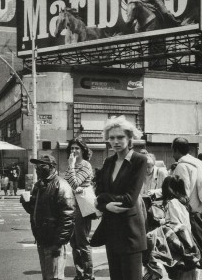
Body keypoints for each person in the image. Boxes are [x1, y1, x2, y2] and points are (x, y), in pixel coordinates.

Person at [93, 115, 147, 280]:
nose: (116, 141)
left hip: (131, 232)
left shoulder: (139, 160)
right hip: (111, 230)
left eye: (120, 137)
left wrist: (103, 200)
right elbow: (98, 193)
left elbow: (130, 198)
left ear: (130, 138)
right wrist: (106, 205)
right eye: (112, 138)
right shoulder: (108, 161)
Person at [20, 154, 76, 280]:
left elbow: (68, 216)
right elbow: (33, 211)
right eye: (36, 165)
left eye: (41, 165)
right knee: (47, 276)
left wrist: (59, 242)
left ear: (51, 167)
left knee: (55, 277)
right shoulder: (39, 185)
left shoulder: (61, 185)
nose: (37, 168)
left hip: (54, 241)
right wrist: (25, 202)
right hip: (42, 239)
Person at [65, 138, 94, 280]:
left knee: (82, 242)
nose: (74, 151)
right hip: (71, 206)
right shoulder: (72, 164)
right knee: (74, 242)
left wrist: (70, 167)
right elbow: (70, 185)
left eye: (77, 148)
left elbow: (75, 183)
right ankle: (79, 273)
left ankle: (88, 275)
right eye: (72, 148)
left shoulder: (85, 165)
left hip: (83, 207)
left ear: (83, 150)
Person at [161, 175, 198, 280]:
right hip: (189, 244)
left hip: (180, 247)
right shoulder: (183, 201)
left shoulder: (172, 203)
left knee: (179, 276)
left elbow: (176, 226)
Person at [172, 137, 202, 214]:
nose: (172, 154)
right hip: (199, 208)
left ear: (176, 150)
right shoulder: (195, 163)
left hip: (189, 211)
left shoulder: (182, 166)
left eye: (172, 151)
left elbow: (183, 191)